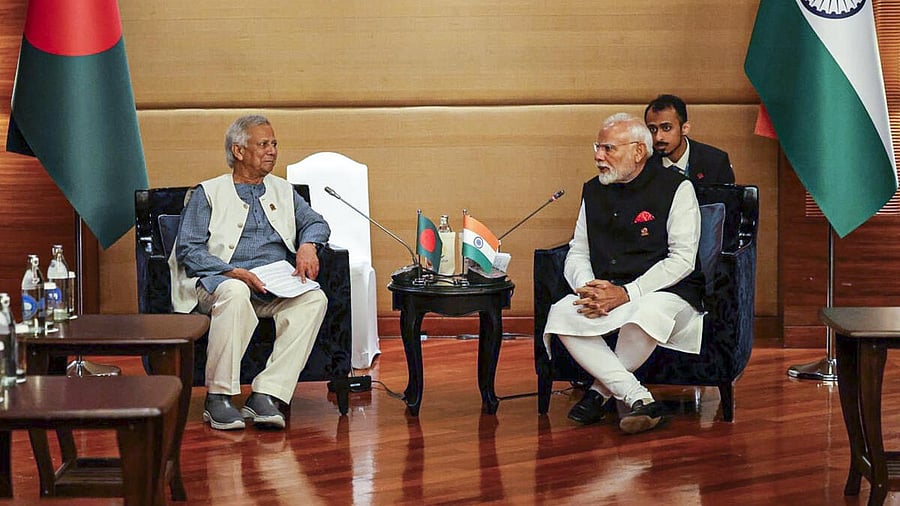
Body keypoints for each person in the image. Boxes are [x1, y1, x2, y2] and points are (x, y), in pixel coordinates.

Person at [543, 113, 705, 434]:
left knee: (646, 312)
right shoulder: (593, 190)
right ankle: (638, 398)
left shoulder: (676, 188)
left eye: (608, 148)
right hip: (610, 292)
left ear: (638, 152)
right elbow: (578, 250)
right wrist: (588, 288)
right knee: (561, 313)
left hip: (670, 293)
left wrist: (628, 293)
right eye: (597, 147)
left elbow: (682, 259)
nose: (598, 156)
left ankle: (600, 393)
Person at [170, 114, 330, 431]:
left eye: (274, 144)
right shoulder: (208, 193)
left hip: (273, 285)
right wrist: (233, 271)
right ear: (239, 151)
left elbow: (316, 222)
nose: (271, 151)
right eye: (263, 144)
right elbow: (189, 248)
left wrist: (309, 245)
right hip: (220, 281)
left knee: (314, 298)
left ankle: (267, 395)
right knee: (236, 291)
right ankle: (218, 398)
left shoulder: (283, 191)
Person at [644, 94, 735, 185]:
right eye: (652, 129)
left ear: (684, 128)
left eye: (666, 128)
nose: (658, 137)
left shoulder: (715, 162)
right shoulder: (644, 163)